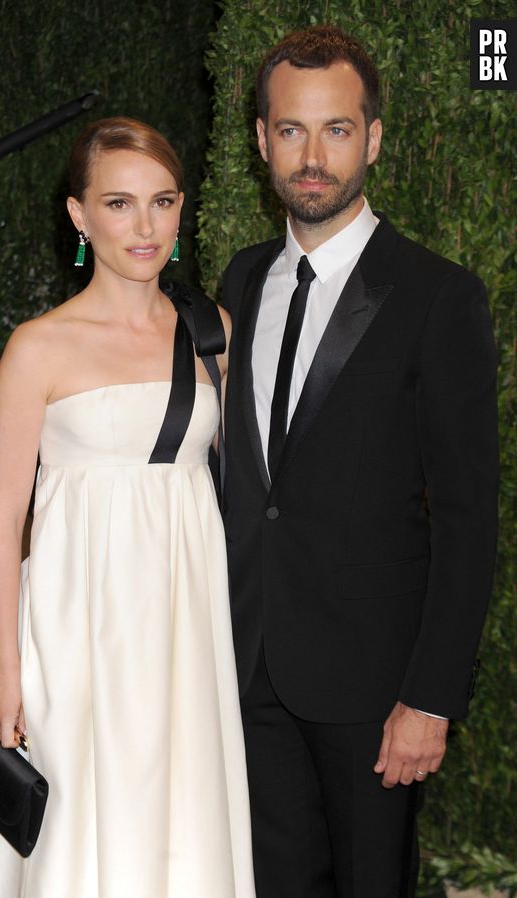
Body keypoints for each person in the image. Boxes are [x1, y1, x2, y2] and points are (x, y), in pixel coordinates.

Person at [221, 25, 498, 898]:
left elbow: (469, 515)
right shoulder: (237, 279)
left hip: (375, 691)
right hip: (248, 665)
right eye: (292, 130)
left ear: (372, 139)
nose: (313, 156)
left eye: (336, 129)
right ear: (262, 140)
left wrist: (431, 696)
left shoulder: (436, 296)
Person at [0, 116, 256, 898]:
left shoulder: (213, 334)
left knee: (182, 820)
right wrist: (6, 669)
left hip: (183, 625)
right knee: (77, 832)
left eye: (163, 202)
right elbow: (2, 523)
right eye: (119, 204)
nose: (145, 227)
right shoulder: (38, 347)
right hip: (73, 630)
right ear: (79, 215)